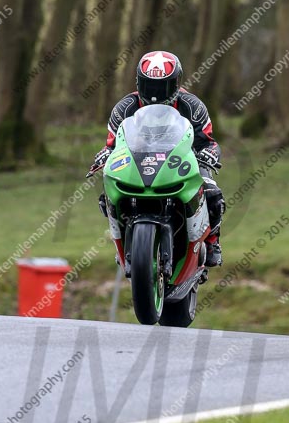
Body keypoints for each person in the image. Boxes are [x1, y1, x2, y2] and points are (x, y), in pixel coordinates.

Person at [88, 50, 225, 266]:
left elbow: (208, 142)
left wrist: (209, 154)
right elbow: (113, 145)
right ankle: (123, 241)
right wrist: (104, 155)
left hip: (183, 161)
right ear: (138, 82)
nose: (155, 94)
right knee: (108, 193)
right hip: (137, 162)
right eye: (149, 85)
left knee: (212, 192)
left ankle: (212, 241)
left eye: (162, 86)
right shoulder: (124, 108)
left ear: (176, 83)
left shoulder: (193, 107)